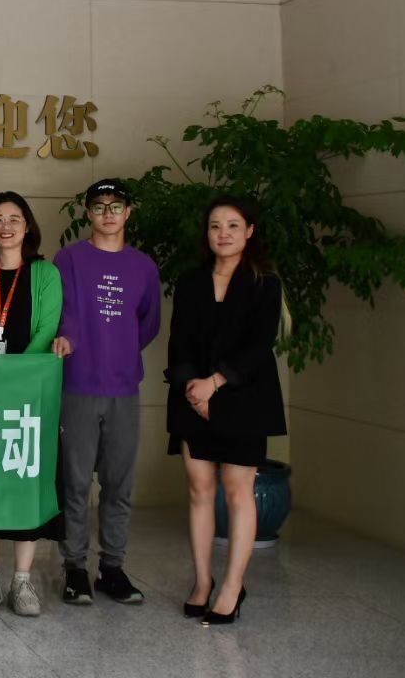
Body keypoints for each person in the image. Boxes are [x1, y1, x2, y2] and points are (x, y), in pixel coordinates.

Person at [166, 196, 285, 626]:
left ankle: (233, 587)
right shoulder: (190, 282)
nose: (223, 234)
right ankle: (202, 581)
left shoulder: (265, 283)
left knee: (238, 492)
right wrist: (194, 390)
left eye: (233, 225)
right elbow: (179, 341)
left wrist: (215, 384)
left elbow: (260, 345)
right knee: (199, 490)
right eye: (215, 225)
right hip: (192, 397)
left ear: (249, 231)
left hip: (244, 397)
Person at [52, 178, 162, 606]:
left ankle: (112, 568)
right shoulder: (69, 259)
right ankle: (75, 568)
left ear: (128, 212)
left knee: (118, 483)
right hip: (78, 384)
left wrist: (120, 350)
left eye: (116, 206)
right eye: (99, 206)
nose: (108, 213)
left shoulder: (144, 267)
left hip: (123, 387)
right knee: (76, 483)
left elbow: (147, 323)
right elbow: (62, 312)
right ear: (88, 213)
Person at [0, 192, 62, 619]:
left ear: (27, 226)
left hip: (29, 396)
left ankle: (22, 580)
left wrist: (17, 376)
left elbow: (47, 328)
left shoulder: (44, 273)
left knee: (25, 481)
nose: (6, 226)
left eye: (14, 219)